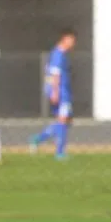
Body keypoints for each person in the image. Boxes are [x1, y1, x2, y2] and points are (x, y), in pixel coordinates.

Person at [30, 29, 77, 160]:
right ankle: (59, 152)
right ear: (64, 38)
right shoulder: (58, 54)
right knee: (63, 121)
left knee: (64, 121)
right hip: (61, 91)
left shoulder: (59, 54)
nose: (73, 44)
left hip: (61, 90)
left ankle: (38, 139)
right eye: (71, 40)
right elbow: (55, 74)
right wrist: (55, 91)